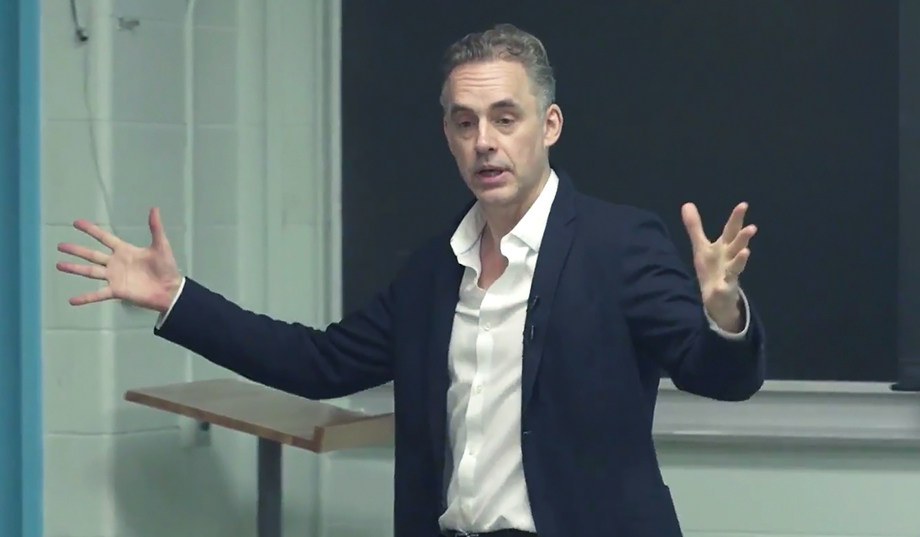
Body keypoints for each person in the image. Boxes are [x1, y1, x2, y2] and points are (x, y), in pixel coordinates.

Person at [57, 23, 765, 537]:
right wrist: (176, 298)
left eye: (505, 118)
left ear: (549, 125)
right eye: (465, 122)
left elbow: (721, 376)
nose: (484, 141)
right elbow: (320, 362)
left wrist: (724, 311)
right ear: (448, 135)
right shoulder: (434, 269)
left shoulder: (618, 244)